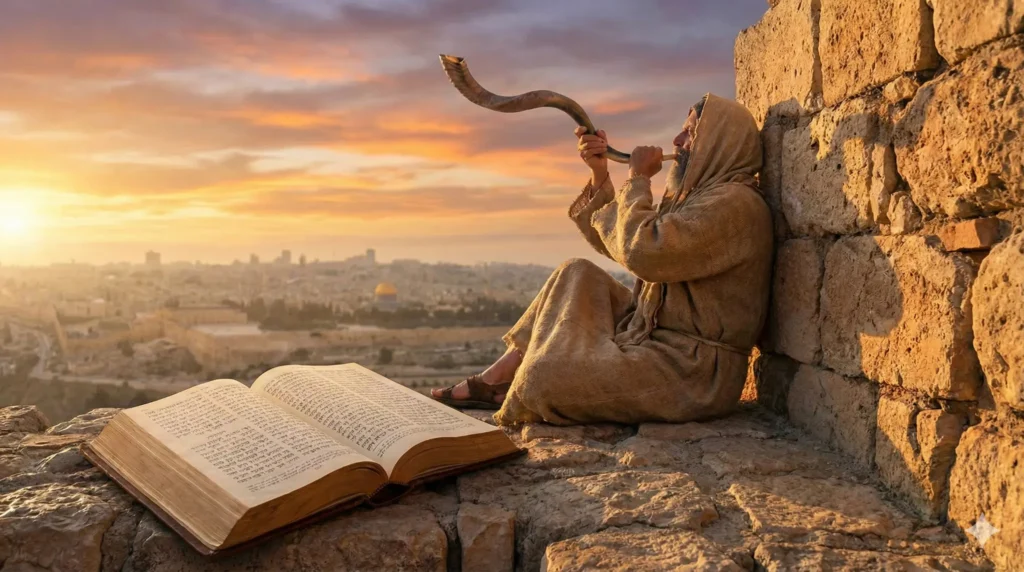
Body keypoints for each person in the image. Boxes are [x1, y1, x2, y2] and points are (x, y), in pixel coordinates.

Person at [432, 93, 773, 426]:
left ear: (720, 143)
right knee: (577, 272)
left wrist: (638, 180)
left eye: (691, 132)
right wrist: (599, 174)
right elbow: (620, 242)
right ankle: (499, 376)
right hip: (646, 332)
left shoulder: (735, 206)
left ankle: (515, 381)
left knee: (541, 380)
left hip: (689, 371)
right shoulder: (698, 198)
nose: (678, 139)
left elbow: (643, 253)